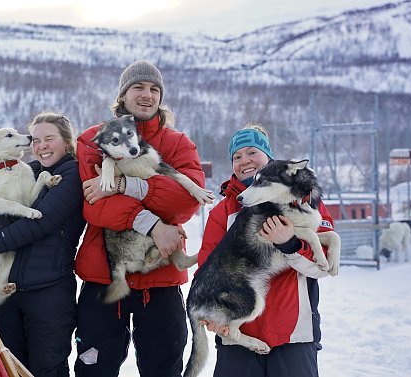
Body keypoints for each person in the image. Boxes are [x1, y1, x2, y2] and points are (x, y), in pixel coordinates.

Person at [75, 60, 207, 377]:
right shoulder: (94, 138)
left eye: (154, 89)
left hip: (160, 280)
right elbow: (94, 205)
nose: (146, 95)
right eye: (138, 87)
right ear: (123, 95)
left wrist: (125, 186)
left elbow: (187, 199)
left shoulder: (178, 144)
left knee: (164, 368)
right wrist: (154, 222)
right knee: (95, 369)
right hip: (104, 278)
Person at [197, 124, 335, 377]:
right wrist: (210, 309)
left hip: (293, 335)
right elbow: (207, 267)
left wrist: (290, 244)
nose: (244, 161)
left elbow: (323, 268)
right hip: (236, 336)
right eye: (237, 157)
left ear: (269, 158)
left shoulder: (305, 202)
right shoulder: (223, 213)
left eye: (252, 152)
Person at [0, 112, 86, 377]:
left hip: (48, 293)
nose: (41, 145)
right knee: (11, 368)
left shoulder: (71, 176)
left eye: (49, 139)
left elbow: (39, 224)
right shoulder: (30, 171)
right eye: (37, 140)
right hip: (11, 293)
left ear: (66, 143)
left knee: (47, 369)